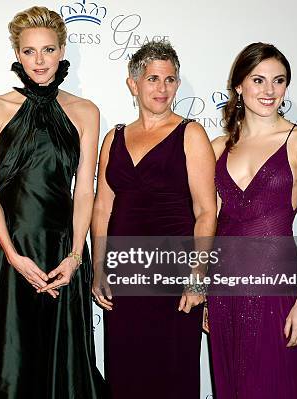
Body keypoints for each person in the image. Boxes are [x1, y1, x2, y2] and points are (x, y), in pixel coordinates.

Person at [0, 6, 106, 398]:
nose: (39, 61)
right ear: (17, 54)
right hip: (8, 253)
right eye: (29, 51)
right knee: (9, 360)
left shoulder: (86, 112)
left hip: (61, 253)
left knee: (60, 362)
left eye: (48, 50)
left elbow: (84, 191)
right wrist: (12, 254)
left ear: (62, 50)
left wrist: (75, 257)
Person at [91, 41, 216, 398]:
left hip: (174, 276)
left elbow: (207, 211)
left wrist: (199, 275)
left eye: (170, 79)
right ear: (133, 83)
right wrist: (98, 267)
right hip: (125, 274)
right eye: (153, 79)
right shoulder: (113, 138)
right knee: (126, 371)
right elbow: (102, 207)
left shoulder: (190, 134)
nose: (162, 88)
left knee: (172, 372)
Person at [207, 42, 297, 398]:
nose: (269, 90)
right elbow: (209, 226)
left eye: (279, 81)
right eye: (258, 80)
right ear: (239, 86)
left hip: (275, 287)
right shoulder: (216, 148)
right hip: (224, 289)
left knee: (277, 385)